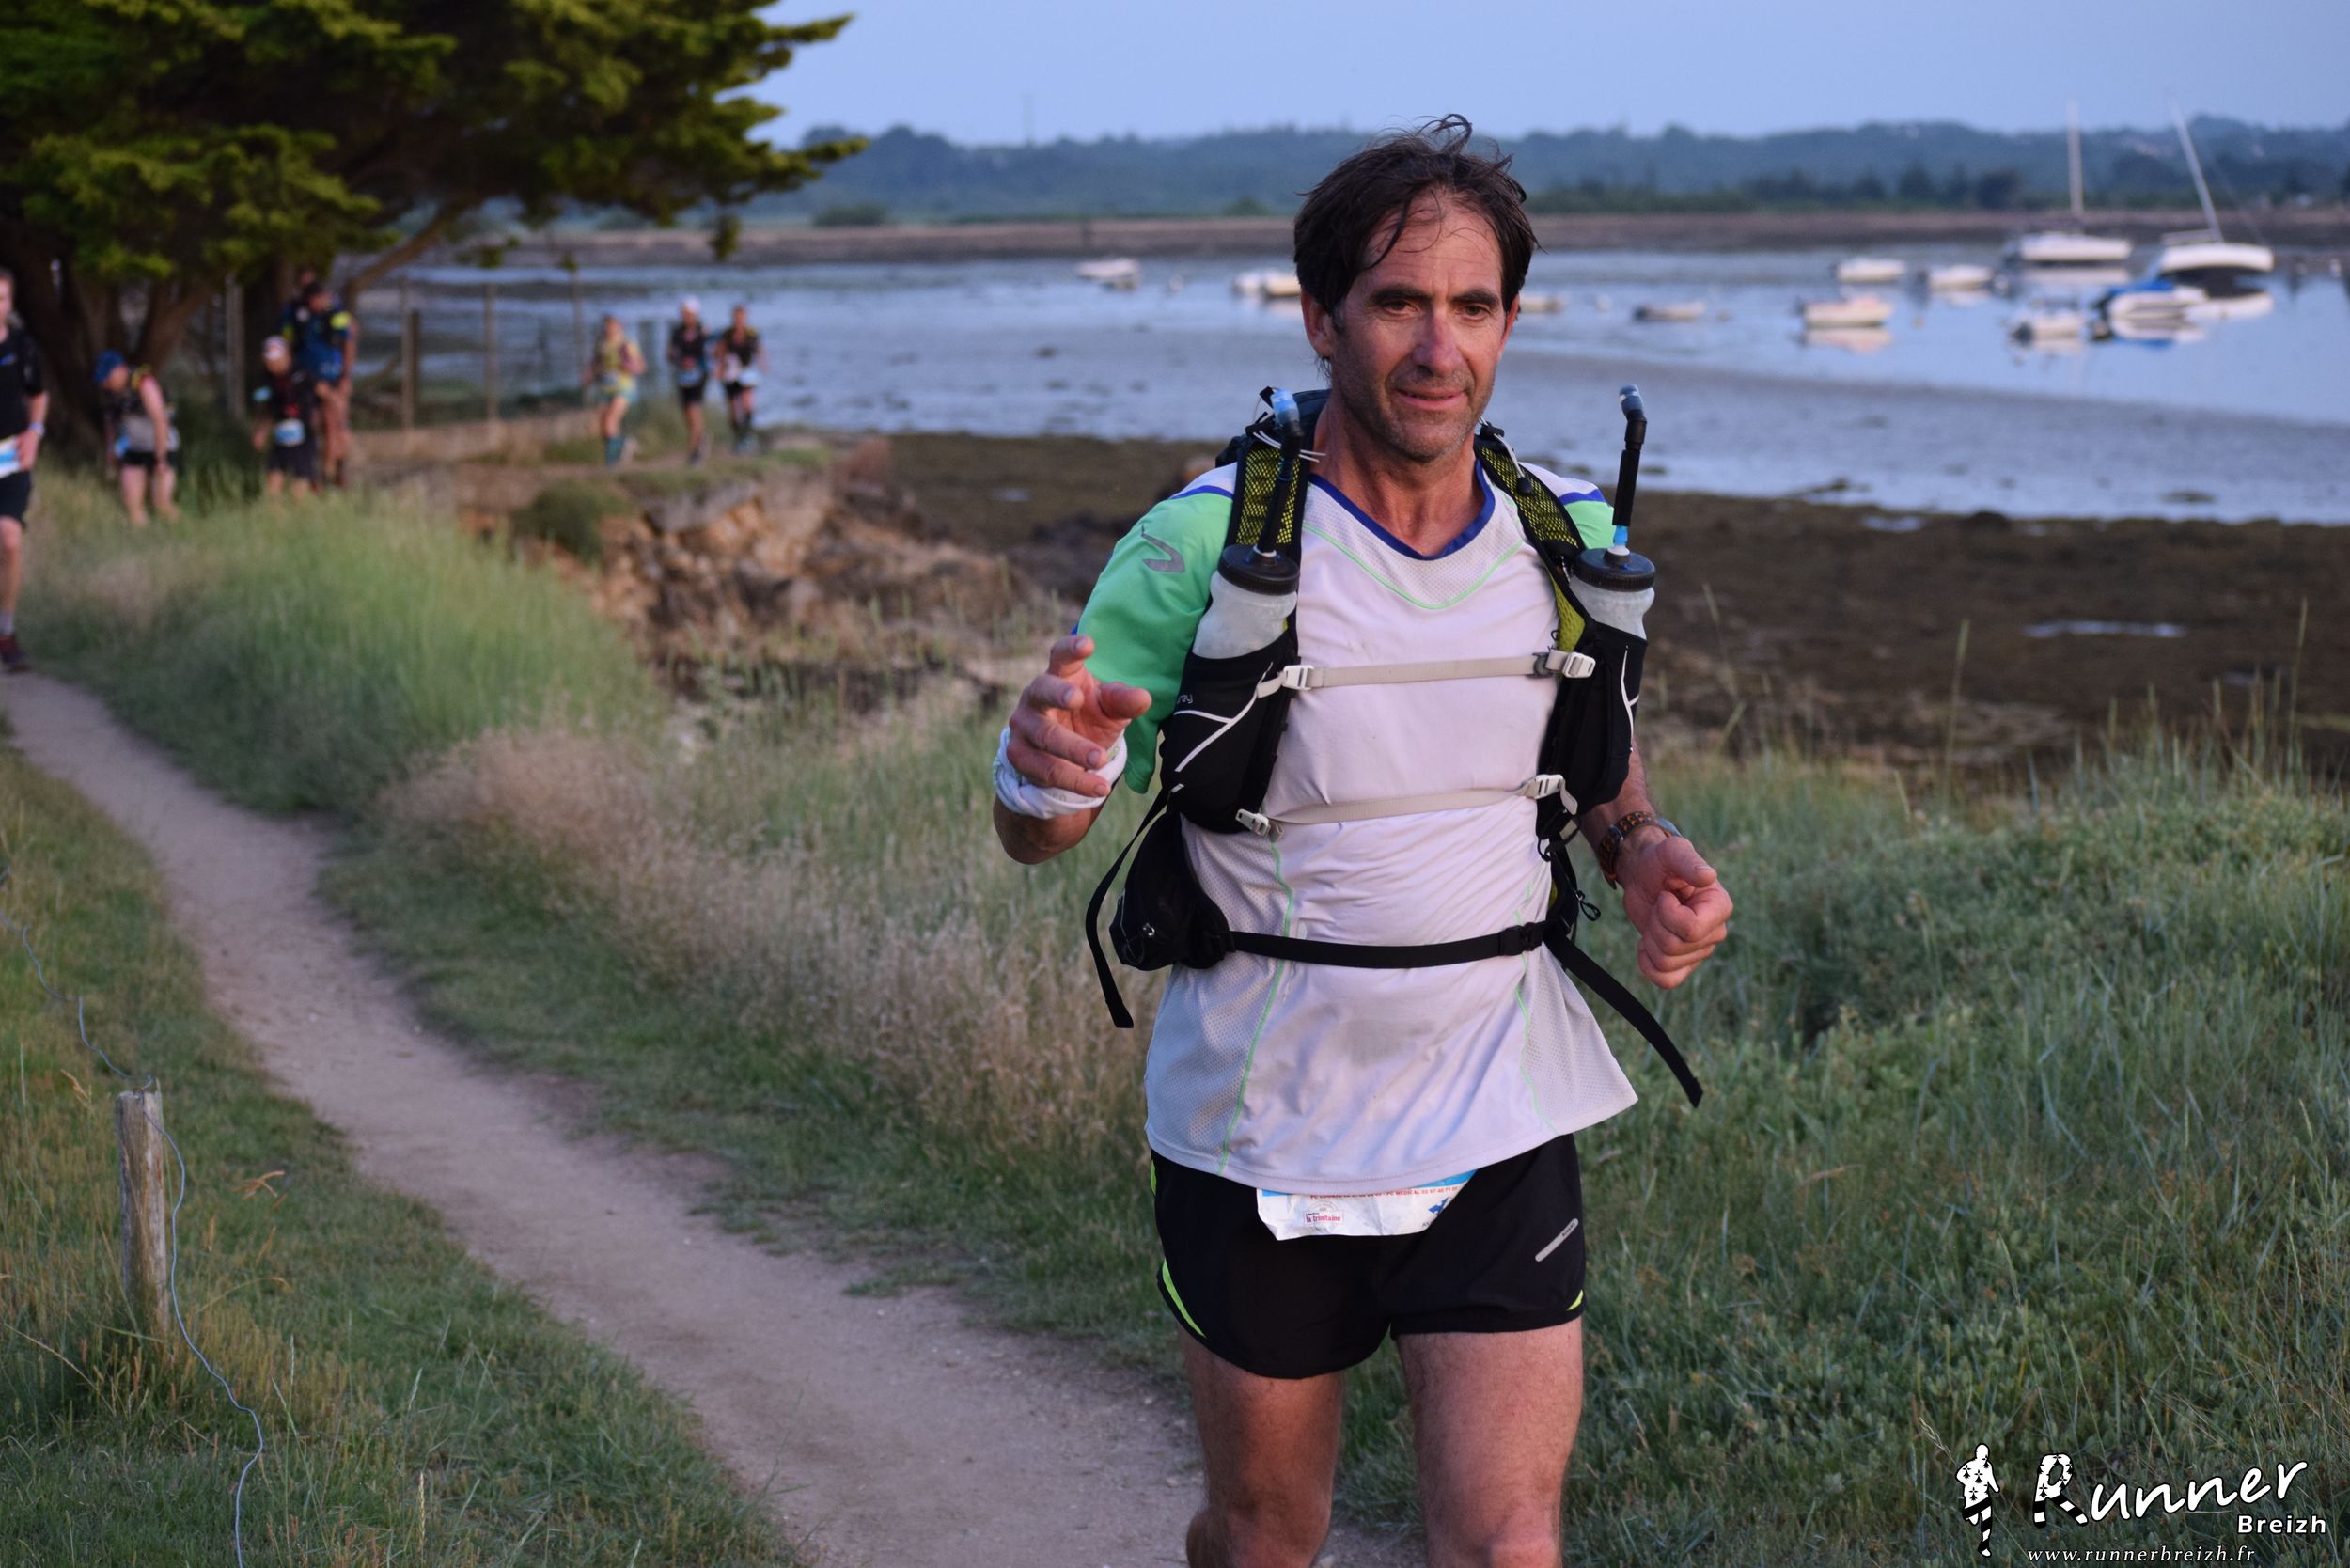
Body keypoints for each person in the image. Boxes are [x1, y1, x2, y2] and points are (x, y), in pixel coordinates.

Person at [990, 118, 1733, 1568]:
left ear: (1510, 320)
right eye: (1399, 304)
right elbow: (1048, 821)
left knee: (1509, 1543)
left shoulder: (1569, 535)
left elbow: (1590, 745)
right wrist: (1041, 772)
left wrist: (1640, 843)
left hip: (1498, 1103)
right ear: (1321, 317)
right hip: (1262, 1123)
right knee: (1267, 1537)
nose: (1439, 349)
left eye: (1473, 306)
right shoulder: (1196, 549)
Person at [0, 266, 47, 674]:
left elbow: (38, 395)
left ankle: (7, 631)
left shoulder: (23, 347)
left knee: (10, 538)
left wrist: (35, 431)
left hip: (10, 456)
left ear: (9, 303)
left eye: (0, 298)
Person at [282, 273, 356, 486]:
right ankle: (313, 474)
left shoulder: (336, 313)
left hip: (332, 378)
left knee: (335, 424)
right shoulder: (294, 313)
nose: (316, 302)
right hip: (306, 380)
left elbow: (349, 341)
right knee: (310, 425)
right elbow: (285, 344)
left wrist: (346, 376)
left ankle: (332, 473)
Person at [95, 351, 180, 525]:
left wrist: (161, 458)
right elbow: (110, 421)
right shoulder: (111, 393)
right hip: (134, 447)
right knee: (132, 505)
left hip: (161, 446)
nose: (105, 383)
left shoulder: (143, 383)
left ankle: (181, 533)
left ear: (120, 370)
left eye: (108, 377)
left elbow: (160, 420)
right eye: (103, 380)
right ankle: (141, 536)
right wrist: (111, 449)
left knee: (162, 504)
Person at [250, 336, 322, 499]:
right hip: (280, 438)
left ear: (287, 356)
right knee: (273, 480)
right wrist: (261, 432)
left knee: (300, 485)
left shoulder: (303, 374)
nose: (272, 365)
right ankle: (275, 514)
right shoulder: (267, 380)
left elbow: (324, 395)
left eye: (276, 361)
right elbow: (267, 410)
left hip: (304, 437)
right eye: (269, 362)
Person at [584, 314, 644, 467]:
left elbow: (640, 366)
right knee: (605, 427)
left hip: (624, 388)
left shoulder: (626, 344)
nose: (609, 328)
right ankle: (625, 445)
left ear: (619, 326)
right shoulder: (601, 344)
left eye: (612, 324)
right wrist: (590, 374)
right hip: (605, 388)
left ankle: (611, 462)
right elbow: (596, 363)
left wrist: (630, 367)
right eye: (607, 325)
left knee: (610, 420)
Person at [667, 296, 713, 464]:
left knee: (694, 410)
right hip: (683, 376)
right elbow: (670, 353)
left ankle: (695, 451)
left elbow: (712, 352)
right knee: (687, 413)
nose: (685, 316)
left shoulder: (704, 330)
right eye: (683, 313)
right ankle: (701, 440)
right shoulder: (677, 331)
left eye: (688, 313)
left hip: (700, 374)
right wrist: (678, 360)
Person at [715, 305, 765, 453]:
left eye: (742, 317)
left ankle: (749, 436)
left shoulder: (752, 333)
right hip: (730, 373)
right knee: (733, 410)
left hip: (746, 371)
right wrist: (719, 368)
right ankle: (738, 437)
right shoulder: (727, 334)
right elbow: (721, 351)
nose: (739, 320)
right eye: (737, 317)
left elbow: (759, 349)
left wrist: (763, 363)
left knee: (747, 403)